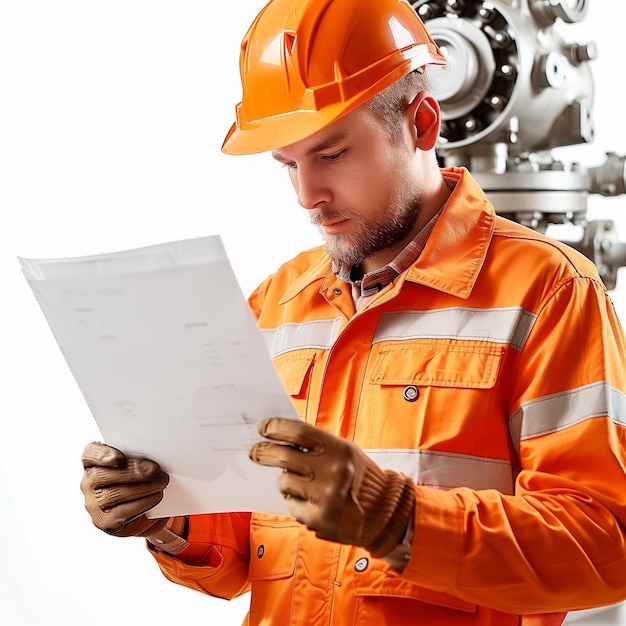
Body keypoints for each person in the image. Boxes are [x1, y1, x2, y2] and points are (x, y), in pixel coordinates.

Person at [80, 0, 626, 624]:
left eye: (332, 154)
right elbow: (241, 550)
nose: (308, 196)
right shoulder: (277, 303)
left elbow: (602, 546)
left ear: (420, 123)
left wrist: (395, 518)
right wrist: (165, 512)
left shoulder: (546, 292)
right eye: (287, 164)